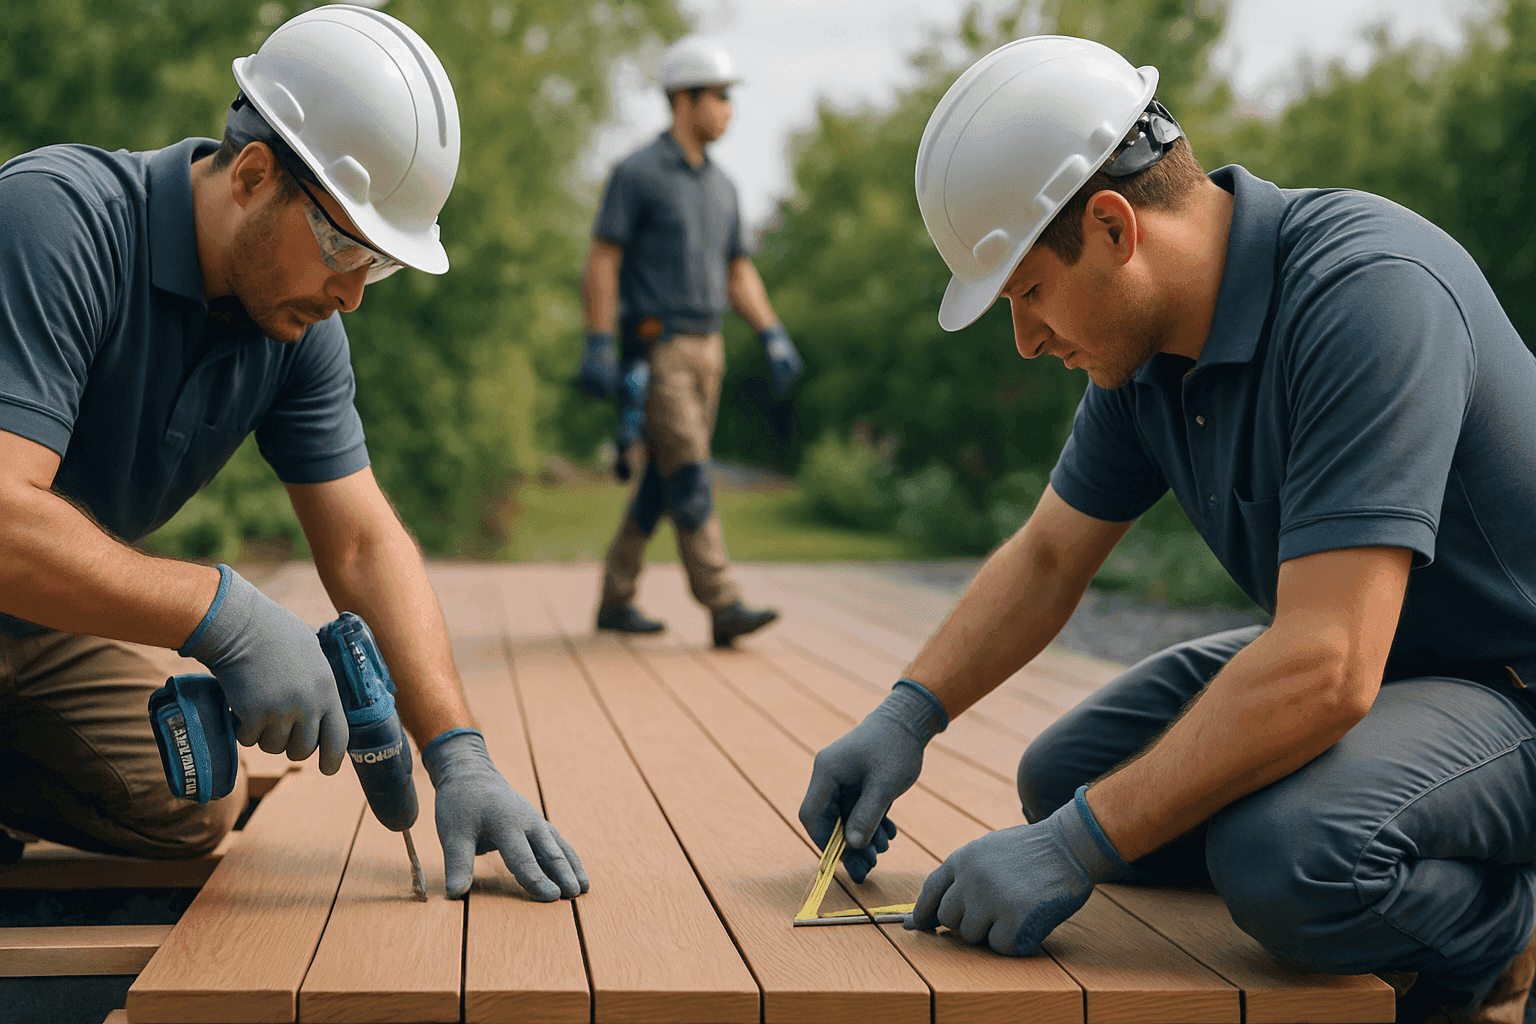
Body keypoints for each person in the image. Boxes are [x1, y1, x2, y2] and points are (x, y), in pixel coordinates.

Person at [797, 34, 1536, 1024]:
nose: (1025, 340)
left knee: (1288, 854)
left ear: (1112, 226)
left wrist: (1076, 847)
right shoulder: (1145, 359)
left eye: (1026, 293)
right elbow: (1052, 554)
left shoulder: (1368, 293)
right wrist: (908, 712)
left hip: (1508, 686)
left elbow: (1326, 664)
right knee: (1066, 777)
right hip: (1396, 665)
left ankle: (1507, 925)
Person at [0, 4, 587, 903]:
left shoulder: (294, 327)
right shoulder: (57, 222)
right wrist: (221, 613)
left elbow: (361, 543)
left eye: (379, 264)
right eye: (345, 245)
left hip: (26, 629)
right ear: (252, 174)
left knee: (192, 796)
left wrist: (458, 754)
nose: (354, 293)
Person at [578, 35, 802, 647]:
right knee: (692, 474)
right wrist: (599, 340)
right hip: (658, 350)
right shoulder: (638, 174)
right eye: (721, 96)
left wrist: (772, 332)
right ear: (684, 98)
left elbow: (739, 271)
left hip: (711, 349)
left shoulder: (725, 188)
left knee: (662, 481)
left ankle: (615, 599)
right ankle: (722, 602)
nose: (730, 109)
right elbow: (603, 258)